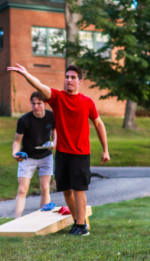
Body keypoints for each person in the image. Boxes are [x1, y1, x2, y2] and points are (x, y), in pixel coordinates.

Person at [7, 63, 110, 236]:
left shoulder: (87, 102)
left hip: (80, 152)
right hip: (62, 153)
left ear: (80, 81)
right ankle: (78, 221)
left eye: (73, 78)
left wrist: (105, 149)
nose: (69, 80)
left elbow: (99, 124)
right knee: (66, 189)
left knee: (78, 189)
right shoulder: (56, 98)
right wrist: (26, 74)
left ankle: (81, 226)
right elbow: (39, 85)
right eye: (67, 77)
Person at [12, 91, 57, 218]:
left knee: (45, 188)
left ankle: (44, 220)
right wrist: (15, 154)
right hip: (28, 157)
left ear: (45, 104)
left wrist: (54, 142)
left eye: (39, 103)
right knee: (22, 190)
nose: (36, 106)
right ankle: (17, 221)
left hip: (46, 156)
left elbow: (54, 131)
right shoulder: (24, 120)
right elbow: (17, 141)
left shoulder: (51, 116)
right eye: (33, 103)